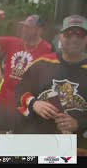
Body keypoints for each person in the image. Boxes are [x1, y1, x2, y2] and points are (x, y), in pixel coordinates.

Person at [15, 15, 87, 150]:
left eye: (80, 34)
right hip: (40, 144)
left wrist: (79, 124)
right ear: (60, 36)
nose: (74, 38)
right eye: (69, 33)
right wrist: (34, 103)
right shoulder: (41, 64)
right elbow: (19, 93)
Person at [0, 10, 53, 133]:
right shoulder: (13, 42)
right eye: (24, 26)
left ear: (39, 30)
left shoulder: (47, 49)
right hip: (4, 104)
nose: (24, 29)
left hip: (26, 106)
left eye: (29, 27)